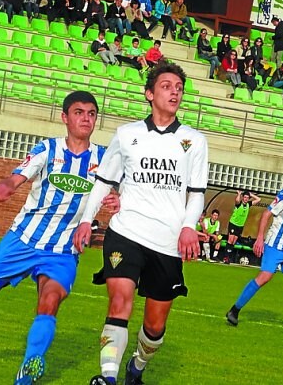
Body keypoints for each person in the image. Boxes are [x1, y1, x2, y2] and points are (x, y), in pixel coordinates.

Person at [0, 91, 120, 384]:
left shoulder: (104, 159)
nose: (85, 118)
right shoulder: (47, 149)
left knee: (50, 300)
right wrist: (8, 185)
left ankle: (29, 365)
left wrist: (115, 200)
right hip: (23, 240)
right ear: (65, 117)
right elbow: (20, 174)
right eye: (78, 112)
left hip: (63, 249)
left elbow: (115, 192)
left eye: (91, 113)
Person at [73, 62, 209, 385]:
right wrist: (86, 220)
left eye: (178, 87)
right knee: (119, 301)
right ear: (149, 94)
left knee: (155, 327)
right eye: (166, 86)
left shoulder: (194, 142)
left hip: (168, 242)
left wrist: (189, 226)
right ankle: (107, 377)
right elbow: (104, 182)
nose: (174, 91)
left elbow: (198, 193)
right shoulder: (127, 135)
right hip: (126, 233)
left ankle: (137, 366)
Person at [226, 158, 283, 334]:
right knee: (265, 277)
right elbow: (266, 214)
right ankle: (234, 310)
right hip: (275, 244)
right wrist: (260, 238)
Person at [225, 190, 261, 264]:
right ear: (243, 198)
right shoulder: (239, 204)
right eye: (245, 197)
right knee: (230, 240)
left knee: (234, 241)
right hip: (233, 223)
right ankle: (226, 257)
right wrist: (239, 194)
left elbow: (258, 199)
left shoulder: (248, 204)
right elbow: (237, 200)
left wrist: (251, 195)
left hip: (240, 226)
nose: (246, 199)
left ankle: (229, 257)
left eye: (247, 197)